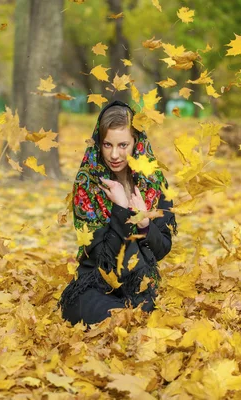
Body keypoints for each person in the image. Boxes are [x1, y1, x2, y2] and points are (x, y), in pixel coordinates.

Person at [58, 100, 178, 326]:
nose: (114, 154)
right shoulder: (88, 184)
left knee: (137, 314)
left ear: (136, 143)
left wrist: (144, 224)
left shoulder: (155, 184)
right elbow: (101, 257)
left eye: (123, 145)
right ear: (98, 144)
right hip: (96, 282)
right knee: (96, 312)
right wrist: (121, 210)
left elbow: (161, 249)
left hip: (139, 283)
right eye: (107, 145)